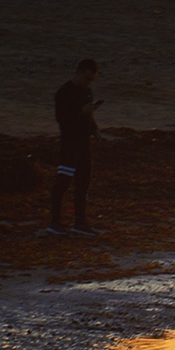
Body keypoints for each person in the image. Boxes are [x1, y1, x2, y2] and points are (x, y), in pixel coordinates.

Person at [45, 58, 102, 236]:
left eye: (91, 79)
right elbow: (62, 118)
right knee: (63, 182)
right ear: (78, 72)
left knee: (83, 183)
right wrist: (81, 112)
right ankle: (55, 222)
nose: (88, 82)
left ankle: (80, 223)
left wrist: (95, 129)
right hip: (69, 143)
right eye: (86, 78)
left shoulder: (87, 92)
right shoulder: (64, 92)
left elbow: (88, 115)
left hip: (84, 143)